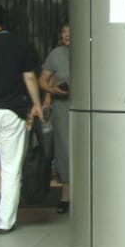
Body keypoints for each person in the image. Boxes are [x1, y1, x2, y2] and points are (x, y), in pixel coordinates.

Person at [0, 5, 43, 233]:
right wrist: (36, 104)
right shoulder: (19, 43)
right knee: (11, 168)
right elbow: (30, 77)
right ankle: (5, 222)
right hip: (12, 112)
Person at [38, 22, 72, 214]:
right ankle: (65, 197)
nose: (67, 35)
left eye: (70, 31)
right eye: (64, 31)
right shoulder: (56, 55)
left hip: (89, 109)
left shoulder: (91, 51)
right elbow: (43, 80)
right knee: (64, 151)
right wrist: (52, 90)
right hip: (62, 108)